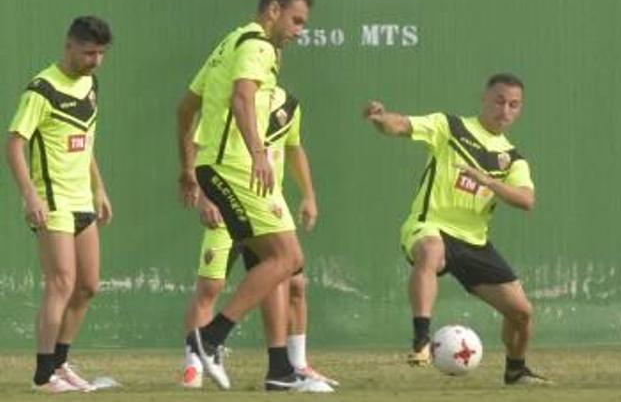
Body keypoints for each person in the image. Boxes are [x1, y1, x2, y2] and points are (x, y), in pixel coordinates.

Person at [363, 73, 550, 385]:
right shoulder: (450, 127)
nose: (505, 110)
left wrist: (489, 182)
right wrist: (380, 118)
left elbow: (526, 200)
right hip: (430, 224)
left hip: (474, 242)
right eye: (499, 101)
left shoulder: (512, 159)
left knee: (521, 313)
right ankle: (422, 340)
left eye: (514, 105)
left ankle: (516, 370)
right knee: (431, 251)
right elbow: (401, 125)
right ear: (484, 99)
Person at [178, 0, 315, 391]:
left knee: (269, 264)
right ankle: (210, 336)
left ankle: (279, 370)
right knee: (287, 258)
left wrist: (188, 169)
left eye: (304, 24)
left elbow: (185, 108)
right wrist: (257, 152)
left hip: (218, 166)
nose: (299, 30)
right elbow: (241, 99)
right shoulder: (257, 45)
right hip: (234, 167)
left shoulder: (230, 43)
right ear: (272, 10)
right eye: (296, 20)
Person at [177, 86, 337, 390]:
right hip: (228, 199)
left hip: (265, 204)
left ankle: (282, 368)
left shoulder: (288, 104)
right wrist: (205, 198)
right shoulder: (229, 101)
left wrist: (308, 195)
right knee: (211, 285)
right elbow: (200, 149)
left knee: (283, 275)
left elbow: (294, 147)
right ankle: (195, 365)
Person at [6, 16, 114, 393]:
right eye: (89, 52)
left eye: (101, 53)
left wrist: (99, 189)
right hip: (53, 201)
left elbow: (86, 141)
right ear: (69, 46)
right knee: (61, 283)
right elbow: (15, 143)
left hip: (82, 198)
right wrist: (29, 194)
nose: (96, 60)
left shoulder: (90, 83)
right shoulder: (42, 89)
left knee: (87, 286)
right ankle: (42, 376)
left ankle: (60, 363)